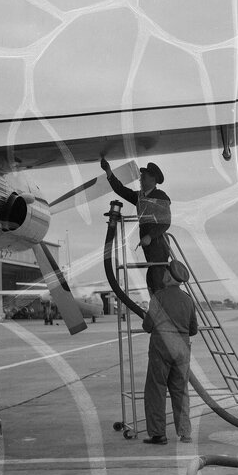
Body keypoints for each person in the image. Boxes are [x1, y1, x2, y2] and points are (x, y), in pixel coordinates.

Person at [140, 260, 198, 445]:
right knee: (180, 390)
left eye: (165, 273)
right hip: (182, 348)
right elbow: (193, 329)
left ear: (169, 276)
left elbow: (148, 326)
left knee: (156, 389)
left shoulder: (158, 297)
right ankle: (185, 433)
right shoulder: (188, 300)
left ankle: (158, 434)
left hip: (162, 347)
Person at [101, 157, 172, 293]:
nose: (140, 180)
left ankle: (163, 307)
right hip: (149, 245)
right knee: (153, 279)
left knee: (158, 278)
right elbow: (121, 190)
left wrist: (150, 236)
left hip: (158, 244)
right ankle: (157, 307)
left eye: (143, 177)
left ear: (153, 179)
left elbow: (165, 222)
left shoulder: (160, 197)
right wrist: (108, 172)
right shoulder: (141, 197)